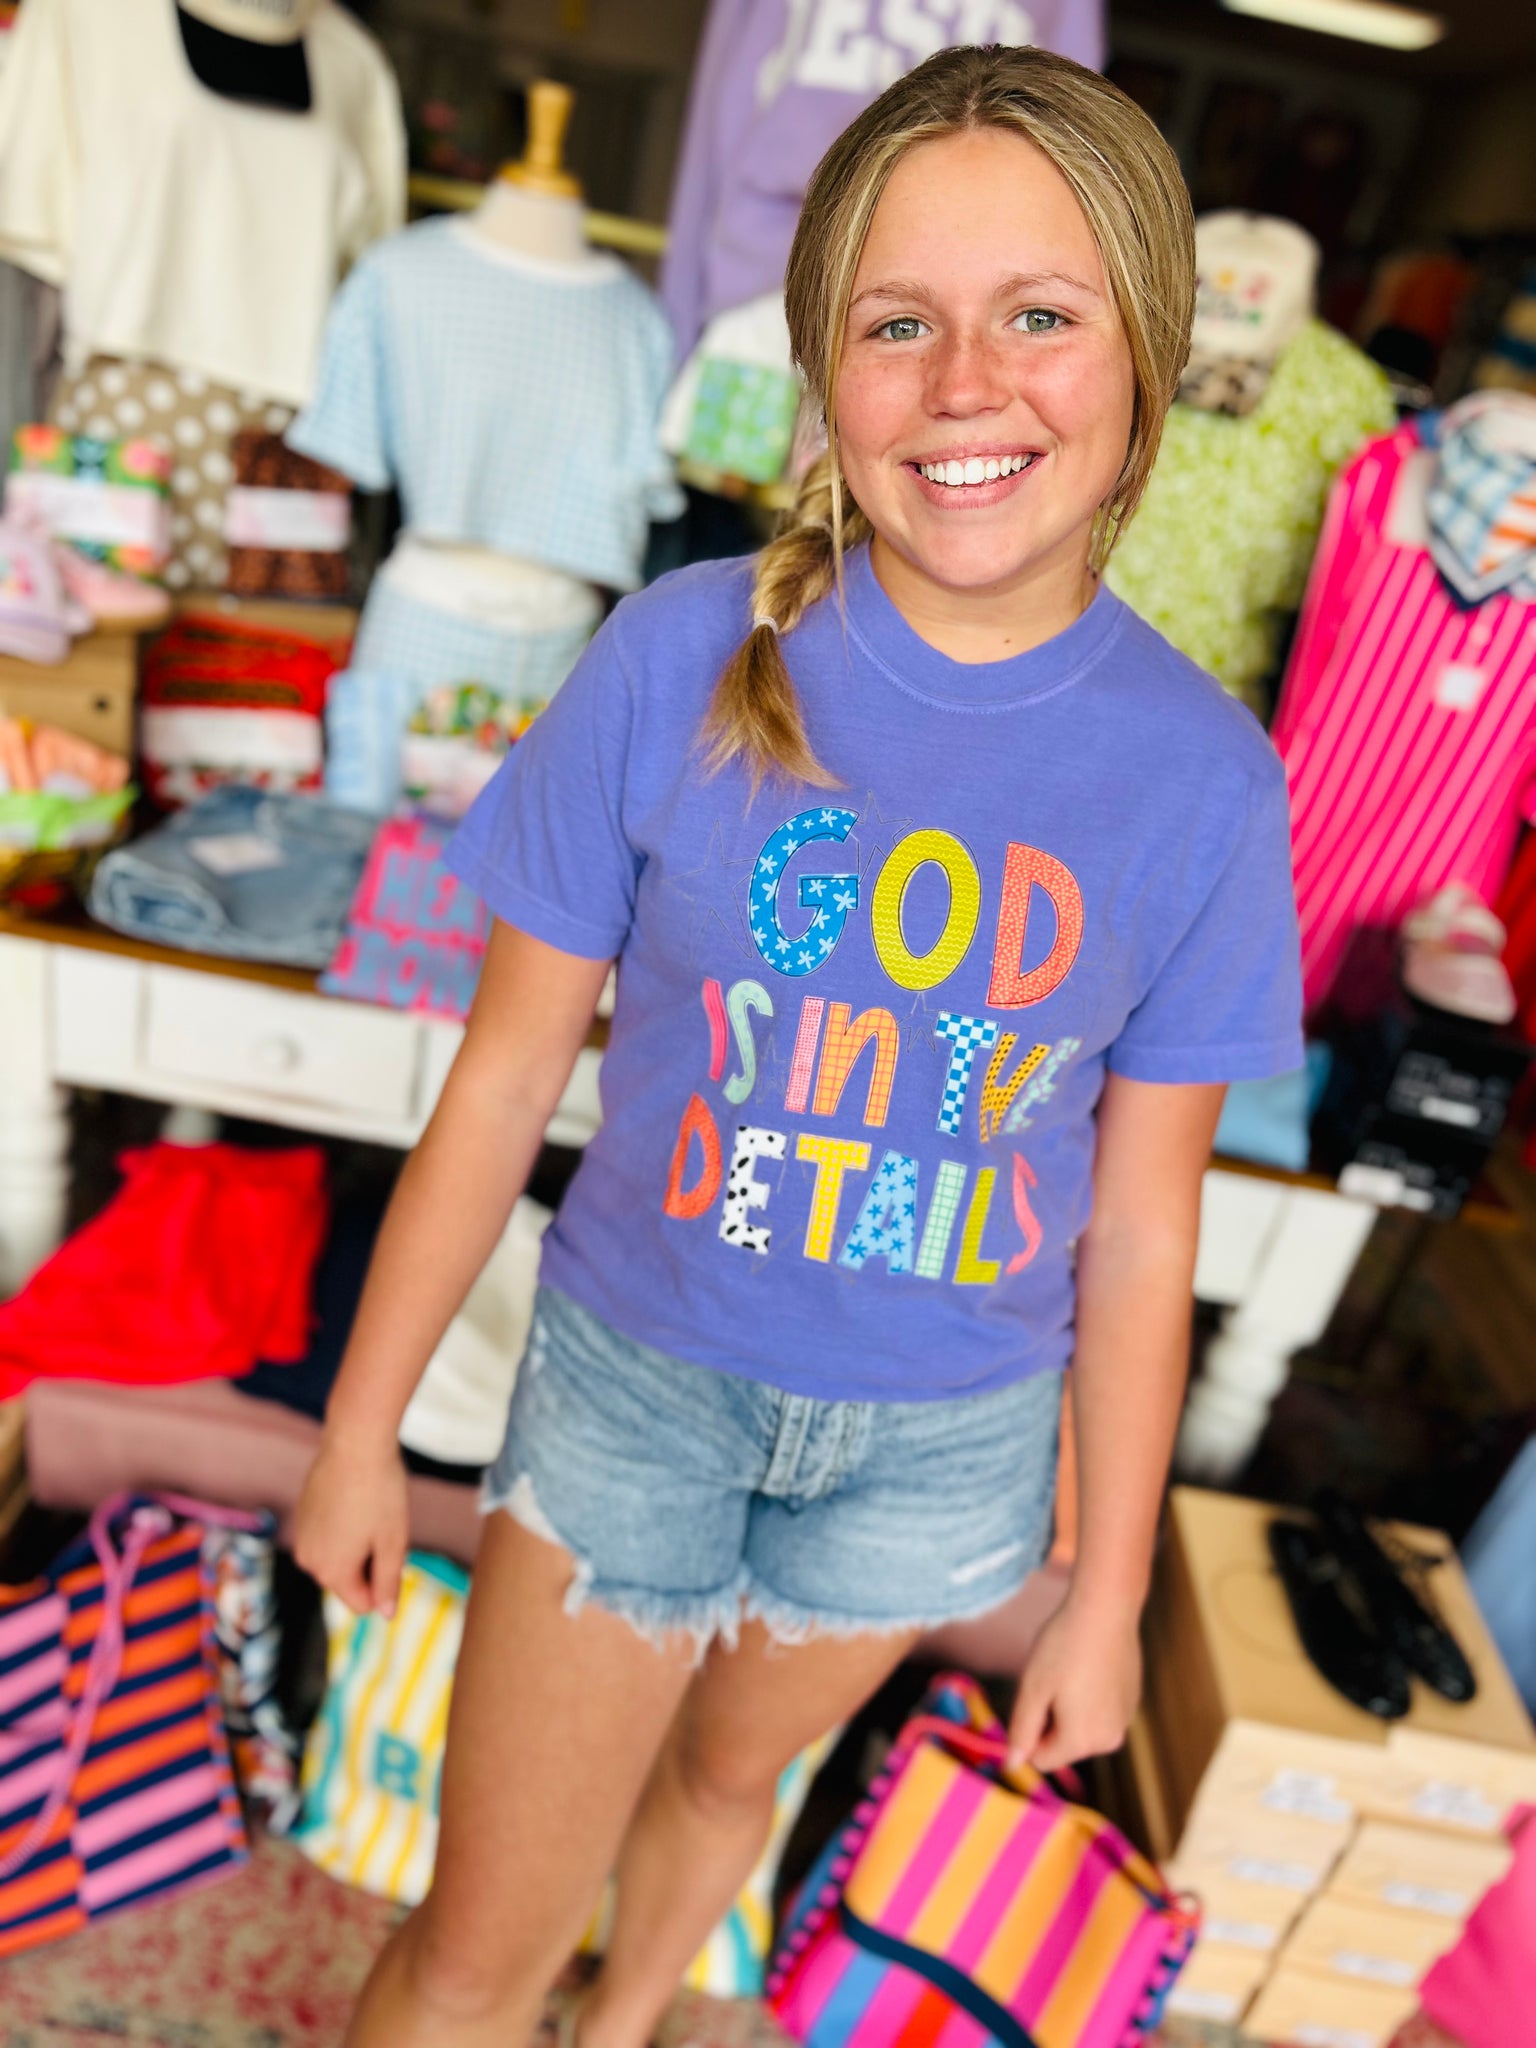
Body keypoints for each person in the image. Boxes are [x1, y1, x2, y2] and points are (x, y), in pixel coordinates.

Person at [294, 42, 1303, 2048]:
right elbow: (502, 1082)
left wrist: (1104, 1595)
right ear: (824, 368)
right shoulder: (679, 653)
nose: (966, 383)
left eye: (1040, 316)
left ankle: (627, 2024)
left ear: (1147, 349)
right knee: (475, 1956)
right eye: (897, 322)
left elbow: (1141, 1227)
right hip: (635, 1401)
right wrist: (355, 1425)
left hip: (937, 1459)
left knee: (720, 1787)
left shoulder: (1205, 777)